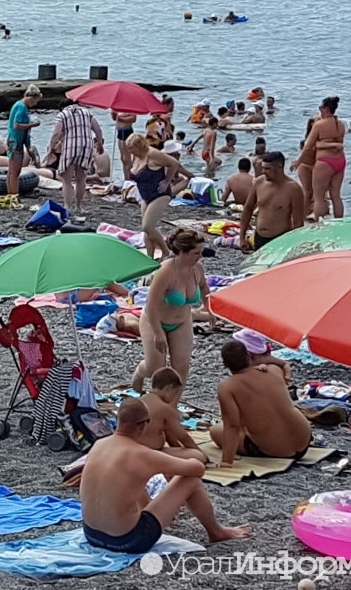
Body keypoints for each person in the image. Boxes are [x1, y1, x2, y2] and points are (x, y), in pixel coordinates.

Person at [80, 398, 250, 554]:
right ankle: (216, 532)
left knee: (133, 478)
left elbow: (132, 482)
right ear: (144, 425)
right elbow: (197, 469)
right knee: (190, 479)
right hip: (128, 541)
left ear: (119, 420)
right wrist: (179, 461)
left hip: (92, 535)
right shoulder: (141, 454)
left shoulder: (99, 445)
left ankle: (145, 512)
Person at [130, 229, 210, 395]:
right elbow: (151, 305)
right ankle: (139, 373)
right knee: (155, 368)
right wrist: (158, 333)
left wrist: (210, 309)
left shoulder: (197, 269)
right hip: (155, 320)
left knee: (181, 368)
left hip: (182, 322)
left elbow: (204, 288)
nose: (200, 256)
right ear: (182, 252)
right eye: (196, 253)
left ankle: (172, 405)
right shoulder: (165, 271)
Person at [210, 341, 311, 466]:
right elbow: (283, 363)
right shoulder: (273, 370)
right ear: (249, 356)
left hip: (273, 450)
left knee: (215, 431)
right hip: (304, 442)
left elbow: (232, 426)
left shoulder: (227, 387)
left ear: (225, 364)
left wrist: (226, 461)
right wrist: (260, 362)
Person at [126, 134, 181, 260]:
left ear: (139, 146)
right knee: (146, 231)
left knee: (148, 226)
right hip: (145, 195)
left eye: (131, 148)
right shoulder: (136, 156)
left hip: (159, 194)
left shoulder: (153, 154)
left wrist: (167, 181)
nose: (130, 151)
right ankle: (149, 257)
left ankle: (166, 251)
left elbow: (174, 163)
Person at [240, 152, 304, 251]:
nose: (263, 171)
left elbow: (298, 223)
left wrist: (294, 245)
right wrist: (242, 237)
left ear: (279, 167)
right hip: (259, 236)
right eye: (263, 168)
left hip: (280, 238)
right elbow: (248, 209)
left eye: (267, 169)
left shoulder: (293, 189)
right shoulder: (259, 182)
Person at [138, 368, 207, 461]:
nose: (174, 397)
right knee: (197, 456)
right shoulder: (165, 408)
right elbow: (184, 437)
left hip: (134, 450)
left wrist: (178, 448)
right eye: (174, 393)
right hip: (151, 453)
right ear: (168, 388)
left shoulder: (140, 400)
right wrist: (200, 453)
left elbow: (169, 436)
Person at [50, 101, 104, 216]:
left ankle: (67, 207)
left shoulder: (63, 114)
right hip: (86, 147)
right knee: (81, 178)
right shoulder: (87, 112)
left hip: (70, 147)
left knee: (66, 180)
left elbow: (57, 132)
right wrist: (100, 144)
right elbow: (98, 130)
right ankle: (79, 207)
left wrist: (51, 147)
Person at [303, 96, 346, 218]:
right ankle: (339, 222)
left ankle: (320, 223)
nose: (319, 110)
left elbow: (307, 146)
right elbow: (338, 145)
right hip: (340, 160)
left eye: (320, 108)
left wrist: (299, 161)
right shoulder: (341, 124)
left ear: (326, 109)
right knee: (336, 195)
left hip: (324, 161)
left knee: (319, 197)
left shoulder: (319, 125)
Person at [6, 85, 43, 197]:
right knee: (15, 172)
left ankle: (11, 194)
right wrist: (33, 125)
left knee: (12, 171)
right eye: (35, 101)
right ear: (31, 97)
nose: (35, 104)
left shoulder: (20, 106)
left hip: (15, 141)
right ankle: (14, 195)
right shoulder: (21, 107)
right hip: (15, 142)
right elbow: (16, 125)